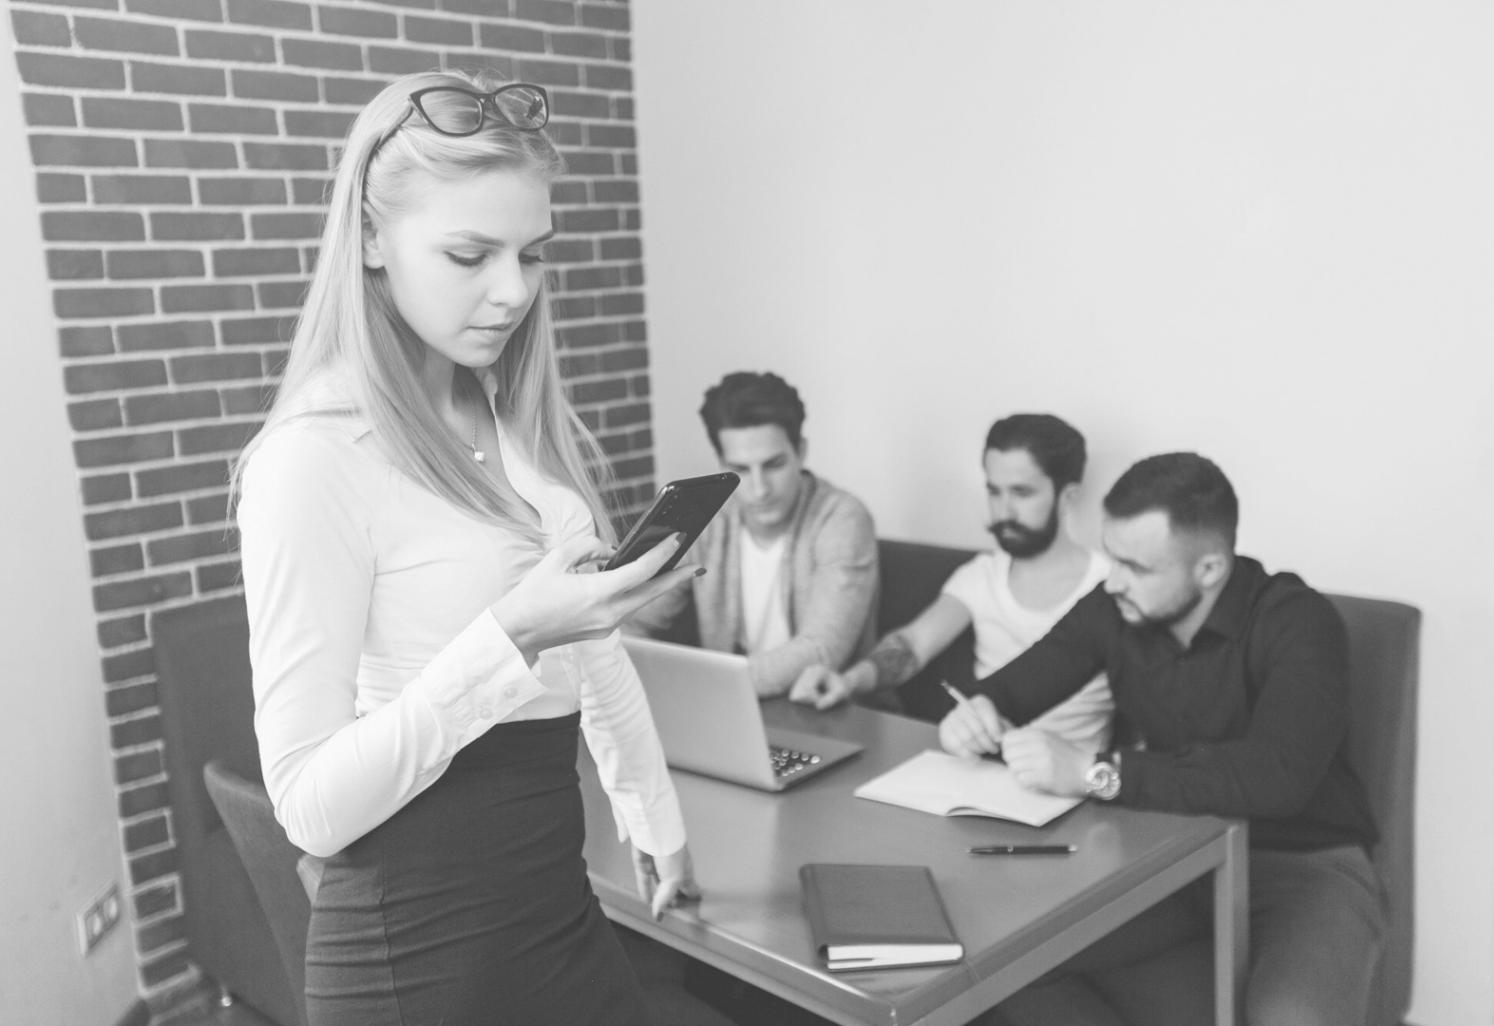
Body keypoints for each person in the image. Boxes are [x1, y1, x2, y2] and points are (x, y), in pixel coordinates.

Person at [234, 70, 711, 1026]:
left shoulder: (502, 409)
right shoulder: (314, 458)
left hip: (554, 913)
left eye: (532, 255)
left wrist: (653, 815)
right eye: (469, 254)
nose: (513, 292)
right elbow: (309, 806)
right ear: (371, 239)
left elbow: (593, 653)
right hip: (418, 960)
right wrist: (510, 634)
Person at [941, 453, 1383, 1026]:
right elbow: (1015, 688)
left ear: (1209, 568)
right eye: (1112, 558)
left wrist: (1096, 772)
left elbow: (1277, 778)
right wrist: (975, 714)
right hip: (1176, 857)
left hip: (1304, 866)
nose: (1113, 580)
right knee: (1008, 961)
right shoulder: (1116, 606)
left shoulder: (1298, 620)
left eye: (1136, 566)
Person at [789, 415, 1114, 750]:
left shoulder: (1113, 586)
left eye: (1022, 493)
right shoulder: (982, 575)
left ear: (1068, 497)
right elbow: (913, 644)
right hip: (985, 757)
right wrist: (849, 681)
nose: (1004, 511)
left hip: (1071, 767)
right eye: (994, 492)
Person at [628, 371, 880, 702]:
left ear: (801, 452)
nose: (760, 489)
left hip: (825, 713)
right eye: (742, 470)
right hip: (731, 706)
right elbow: (635, 620)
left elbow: (821, 650)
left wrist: (700, 686)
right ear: (721, 463)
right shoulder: (708, 520)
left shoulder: (841, 518)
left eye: (774, 465)